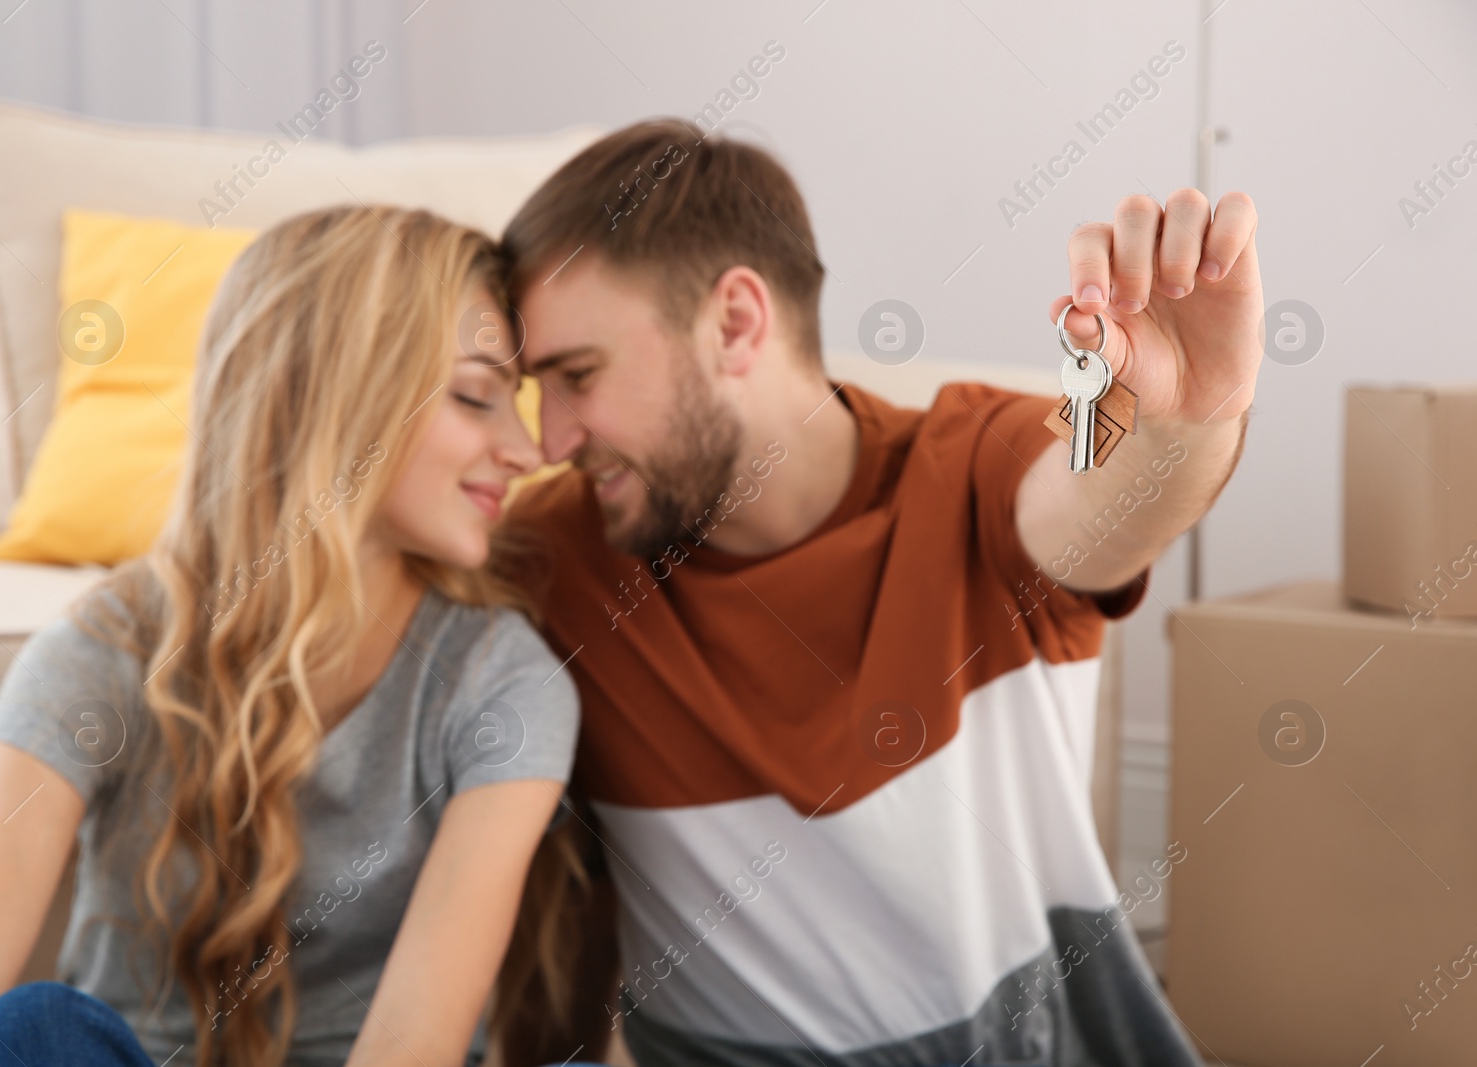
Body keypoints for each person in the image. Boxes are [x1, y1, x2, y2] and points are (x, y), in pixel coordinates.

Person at [494, 120, 1262, 1065]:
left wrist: (1186, 423)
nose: (551, 439)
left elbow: (1095, 504)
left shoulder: (974, 465)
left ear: (736, 321)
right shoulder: (553, 556)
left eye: (577, 376)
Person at [0, 206, 593, 1067]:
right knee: (30, 1028)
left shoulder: (501, 682)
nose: (528, 450)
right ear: (333, 396)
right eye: (477, 396)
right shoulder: (100, 655)